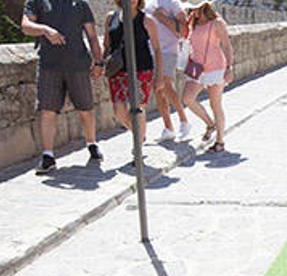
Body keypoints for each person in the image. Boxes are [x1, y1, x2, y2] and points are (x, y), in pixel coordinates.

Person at [21, 0, 104, 175]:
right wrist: (45, 29)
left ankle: (92, 143)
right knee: (47, 110)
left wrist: (98, 61)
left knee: (85, 109)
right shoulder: (36, 2)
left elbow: (92, 36)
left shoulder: (80, 4)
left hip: (78, 64)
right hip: (49, 66)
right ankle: (48, 156)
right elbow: (26, 25)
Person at [104, 0, 164, 147]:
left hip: (141, 69)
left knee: (137, 108)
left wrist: (159, 76)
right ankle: (140, 135)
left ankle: (137, 148)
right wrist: (100, 63)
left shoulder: (147, 20)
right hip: (118, 71)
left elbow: (157, 49)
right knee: (119, 111)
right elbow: (107, 44)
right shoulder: (111, 18)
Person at [182, 2, 233, 153]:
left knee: (215, 104)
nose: (192, 9)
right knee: (187, 99)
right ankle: (210, 124)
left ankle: (220, 141)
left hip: (215, 68)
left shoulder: (217, 22)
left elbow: (226, 45)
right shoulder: (192, 22)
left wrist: (229, 68)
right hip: (196, 67)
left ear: (203, 6)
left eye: (194, 6)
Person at [147, 0, 191, 141]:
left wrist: (163, 18)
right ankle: (168, 127)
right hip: (150, 51)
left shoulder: (173, 3)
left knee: (165, 83)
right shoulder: (147, 3)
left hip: (167, 50)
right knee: (157, 89)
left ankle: (184, 120)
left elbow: (184, 31)